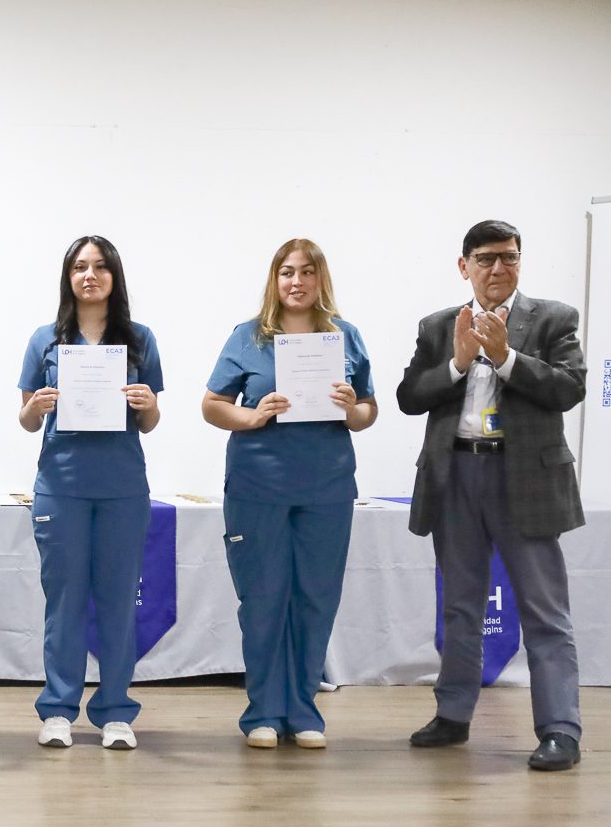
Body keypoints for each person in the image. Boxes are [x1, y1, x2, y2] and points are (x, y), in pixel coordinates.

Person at [396, 219, 586, 771]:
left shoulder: (552, 318)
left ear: (520, 262)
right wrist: (458, 363)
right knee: (460, 607)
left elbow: (571, 387)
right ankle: (453, 714)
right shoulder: (438, 326)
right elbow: (409, 396)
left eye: (509, 256)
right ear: (465, 267)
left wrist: (506, 359)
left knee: (544, 612)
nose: (499, 267)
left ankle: (560, 729)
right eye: (486, 258)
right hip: (455, 476)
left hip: (525, 478)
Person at [201, 238, 377, 749]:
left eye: (306, 272)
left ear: (321, 279)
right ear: (274, 280)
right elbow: (212, 405)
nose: (296, 282)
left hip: (326, 487)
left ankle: (303, 711)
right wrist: (252, 416)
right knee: (263, 599)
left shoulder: (345, 336)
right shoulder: (248, 337)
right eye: (286, 272)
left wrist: (351, 408)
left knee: (315, 598)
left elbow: (368, 411)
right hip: (258, 485)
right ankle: (262, 711)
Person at [18, 235, 162, 750]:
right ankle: (58, 710)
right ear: (68, 277)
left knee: (119, 602)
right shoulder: (45, 339)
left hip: (122, 488)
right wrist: (36, 406)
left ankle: (116, 711)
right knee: (65, 602)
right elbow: (26, 419)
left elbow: (150, 421)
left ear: (114, 276)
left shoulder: (139, 339)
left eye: (100, 267)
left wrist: (147, 405)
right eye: (80, 267)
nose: (90, 275)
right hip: (61, 487)